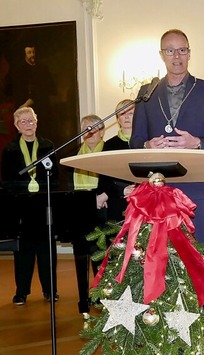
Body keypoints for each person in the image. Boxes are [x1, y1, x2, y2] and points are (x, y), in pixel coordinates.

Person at [128, 28, 204, 355]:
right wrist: (148, 144)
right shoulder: (146, 93)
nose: (177, 56)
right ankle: (164, 333)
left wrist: (195, 142)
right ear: (161, 55)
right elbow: (134, 143)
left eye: (182, 50)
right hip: (158, 192)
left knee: (199, 263)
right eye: (170, 51)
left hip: (198, 192)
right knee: (159, 263)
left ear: (189, 53)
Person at [1, 107, 59, 305]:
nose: (28, 125)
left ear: (37, 122)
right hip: (22, 208)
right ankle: (22, 292)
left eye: (31, 121)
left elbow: (56, 177)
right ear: (17, 127)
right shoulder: (10, 149)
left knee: (47, 251)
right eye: (23, 122)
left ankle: (50, 290)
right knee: (23, 252)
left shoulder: (47, 146)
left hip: (44, 206)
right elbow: (7, 180)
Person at [71, 114, 109, 316]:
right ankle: (86, 297)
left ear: (102, 132)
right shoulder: (75, 155)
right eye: (85, 129)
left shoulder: (108, 151)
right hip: (81, 209)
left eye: (93, 128)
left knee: (102, 255)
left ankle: (103, 294)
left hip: (104, 209)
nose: (89, 133)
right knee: (83, 252)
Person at [98, 99, 136, 221]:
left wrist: (137, 189)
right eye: (122, 114)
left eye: (130, 113)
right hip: (117, 199)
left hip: (143, 200)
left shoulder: (146, 142)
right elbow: (105, 177)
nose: (126, 117)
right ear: (117, 119)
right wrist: (122, 190)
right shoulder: (109, 145)